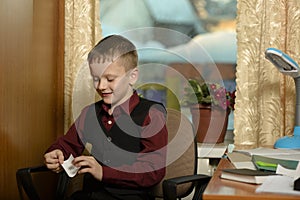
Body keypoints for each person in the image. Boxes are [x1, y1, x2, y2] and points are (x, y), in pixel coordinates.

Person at [44, 35, 168, 200]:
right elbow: (68, 144)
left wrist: (103, 172)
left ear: (132, 76)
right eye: (96, 79)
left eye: (110, 79)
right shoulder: (89, 113)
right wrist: (56, 153)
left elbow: (152, 171)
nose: (101, 86)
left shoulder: (151, 115)